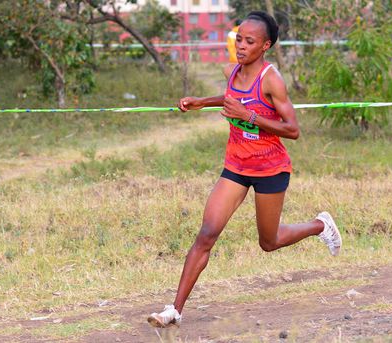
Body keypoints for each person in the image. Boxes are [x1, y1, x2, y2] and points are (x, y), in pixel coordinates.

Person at [147, 11, 342, 328]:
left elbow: (292, 129)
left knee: (269, 242)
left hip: (270, 169)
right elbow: (232, 97)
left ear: (265, 45)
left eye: (249, 41)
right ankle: (174, 310)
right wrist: (201, 102)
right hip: (236, 165)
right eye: (239, 38)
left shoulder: (272, 80)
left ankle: (320, 226)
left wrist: (248, 116)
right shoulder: (232, 71)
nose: (241, 46)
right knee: (207, 234)